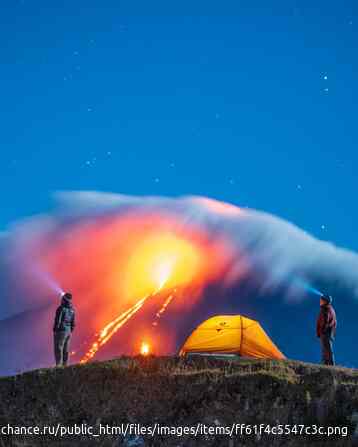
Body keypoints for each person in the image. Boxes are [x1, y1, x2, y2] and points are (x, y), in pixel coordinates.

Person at [53, 292, 75, 367]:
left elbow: (58, 320)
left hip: (61, 331)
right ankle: (65, 365)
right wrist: (70, 330)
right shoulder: (72, 310)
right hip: (68, 331)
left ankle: (58, 365)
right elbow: (73, 322)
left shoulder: (61, 308)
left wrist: (55, 330)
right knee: (66, 349)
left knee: (58, 347)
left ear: (64, 299)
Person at [316, 294, 337, 366]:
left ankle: (330, 365)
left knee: (327, 349)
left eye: (321, 300)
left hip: (325, 333)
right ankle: (326, 365)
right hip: (329, 333)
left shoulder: (325, 309)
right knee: (326, 349)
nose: (320, 301)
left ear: (325, 301)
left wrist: (321, 331)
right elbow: (335, 322)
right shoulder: (331, 309)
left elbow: (324, 321)